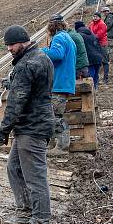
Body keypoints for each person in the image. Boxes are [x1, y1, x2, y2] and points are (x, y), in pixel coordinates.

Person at [0, 25, 55, 224]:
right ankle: (25, 212)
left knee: (34, 175)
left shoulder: (26, 64)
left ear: (22, 41)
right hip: (34, 124)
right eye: (7, 45)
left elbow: (16, 101)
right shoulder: (41, 58)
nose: (9, 49)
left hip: (32, 126)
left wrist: (3, 130)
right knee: (14, 169)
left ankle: (40, 221)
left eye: (11, 44)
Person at [41, 14, 76, 154]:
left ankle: (62, 146)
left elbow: (56, 54)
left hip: (59, 83)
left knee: (55, 115)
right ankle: (53, 144)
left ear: (51, 26)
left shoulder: (59, 38)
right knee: (54, 115)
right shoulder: (68, 38)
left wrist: (40, 51)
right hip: (65, 82)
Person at [74, 22, 105, 89]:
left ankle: (91, 91)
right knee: (96, 75)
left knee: (90, 76)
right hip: (98, 57)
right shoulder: (92, 33)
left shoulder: (79, 35)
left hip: (90, 59)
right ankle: (95, 89)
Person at [88, 11, 109, 84]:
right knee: (97, 60)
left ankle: (106, 78)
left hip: (102, 43)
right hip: (94, 44)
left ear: (99, 17)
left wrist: (92, 38)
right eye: (94, 16)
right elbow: (89, 31)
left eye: (96, 16)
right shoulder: (91, 24)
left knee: (104, 61)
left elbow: (100, 34)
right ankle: (97, 77)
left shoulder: (102, 24)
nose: (95, 18)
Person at [101, 6, 113, 80]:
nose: (104, 13)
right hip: (112, 34)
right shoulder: (110, 16)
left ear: (107, 11)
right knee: (111, 47)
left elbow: (108, 25)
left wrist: (104, 30)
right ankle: (112, 59)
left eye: (105, 11)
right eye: (103, 12)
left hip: (110, 34)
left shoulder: (110, 17)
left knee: (110, 48)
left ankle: (111, 60)